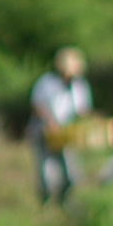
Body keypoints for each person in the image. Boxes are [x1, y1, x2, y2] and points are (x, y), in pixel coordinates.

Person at [27, 46, 93, 205]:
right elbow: (37, 105)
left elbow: (83, 109)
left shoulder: (80, 86)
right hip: (44, 131)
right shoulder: (47, 82)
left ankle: (65, 201)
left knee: (71, 171)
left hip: (66, 133)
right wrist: (51, 121)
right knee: (47, 171)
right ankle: (46, 202)